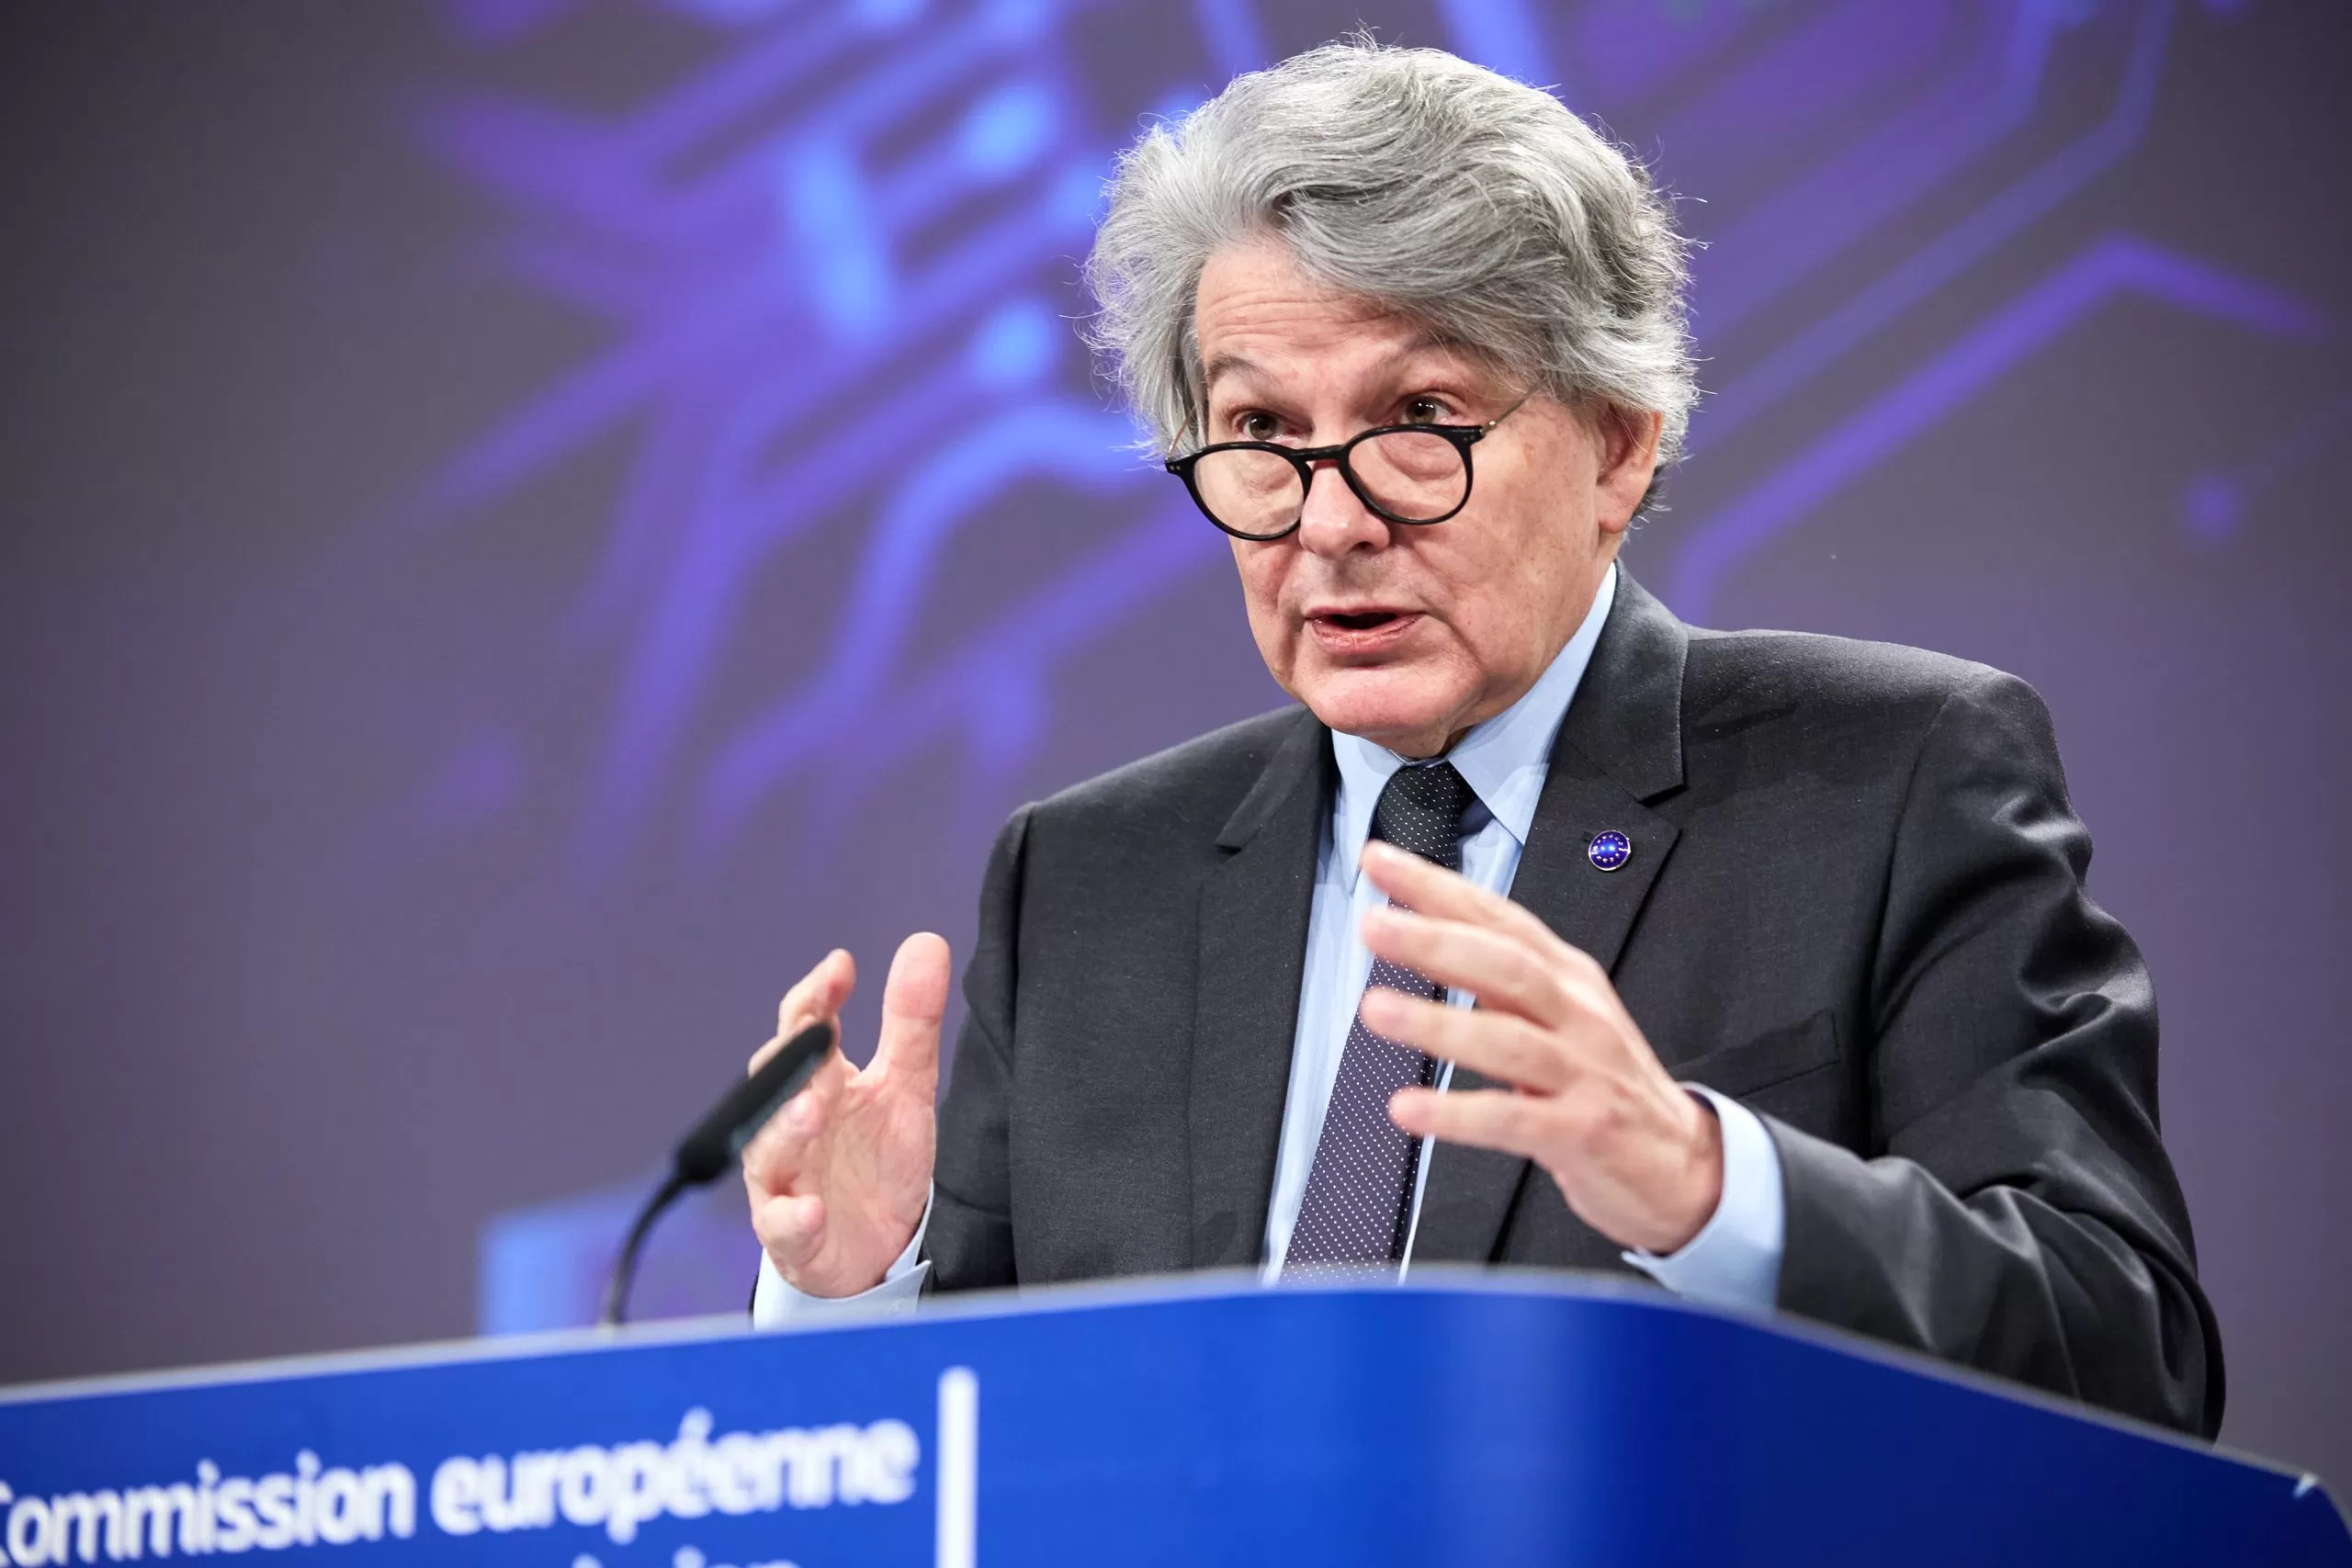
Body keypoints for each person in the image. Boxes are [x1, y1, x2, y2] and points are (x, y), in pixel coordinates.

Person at [739, 39, 2221, 1436]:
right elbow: (977, 1470)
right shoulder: (1087, 881)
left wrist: (1708, 1186)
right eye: (1260, 434)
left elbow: (2126, 1345)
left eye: (1420, 415)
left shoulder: (1891, 781)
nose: (1330, 521)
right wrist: (853, 1294)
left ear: (1618, 445)